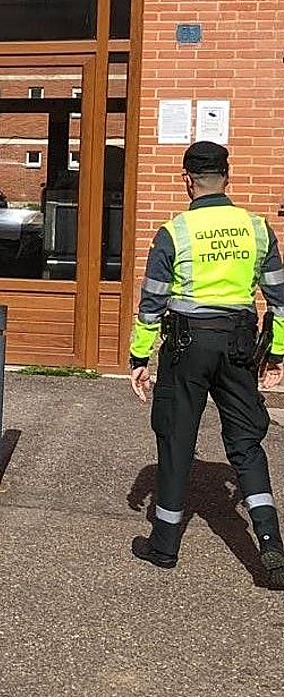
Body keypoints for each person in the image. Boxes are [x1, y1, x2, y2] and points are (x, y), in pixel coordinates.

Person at [129, 140, 284, 586]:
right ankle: (270, 544)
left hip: (186, 345)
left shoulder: (174, 231)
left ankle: (163, 545)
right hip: (238, 342)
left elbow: (152, 304)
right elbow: (278, 298)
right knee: (246, 442)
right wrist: (275, 353)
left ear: (186, 180)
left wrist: (140, 357)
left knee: (177, 438)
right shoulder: (256, 228)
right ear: (228, 178)